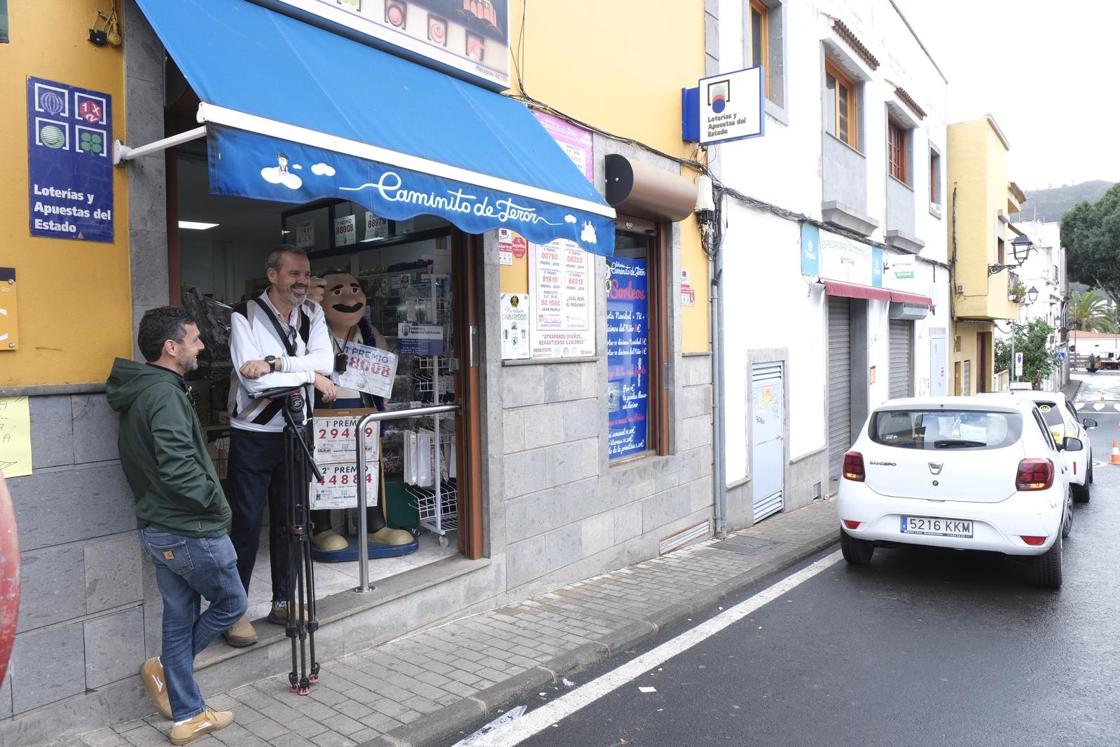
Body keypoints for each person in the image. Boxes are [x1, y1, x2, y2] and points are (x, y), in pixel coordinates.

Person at [106, 307, 245, 745]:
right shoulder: (164, 395)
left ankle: (187, 716)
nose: (202, 346)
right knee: (232, 605)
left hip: (159, 525)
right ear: (172, 347)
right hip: (189, 528)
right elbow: (178, 468)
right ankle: (168, 670)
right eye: (196, 339)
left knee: (180, 614)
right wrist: (213, 501)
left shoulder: (146, 388)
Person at [223, 246, 336, 647]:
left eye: (306, 274)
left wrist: (278, 365)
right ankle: (233, 612)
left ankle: (284, 601)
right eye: (293, 274)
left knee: (294, 520)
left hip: (296, 430)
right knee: (247, 523)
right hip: (253, 433)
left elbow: (326, 363)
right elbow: (252, 382)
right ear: (272, 276)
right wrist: (312, 378)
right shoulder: (244, 315)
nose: (302, 281)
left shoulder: (314, 314)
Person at [310, 270, 413, 553]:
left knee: (368, 467)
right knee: (323, 470)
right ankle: (320, 526)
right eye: (338, 290)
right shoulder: (311, 332)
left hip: (363, 410)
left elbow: (383, 373)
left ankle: (374, 524)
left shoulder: (369, 335)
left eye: (355, 289)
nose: (350, 296)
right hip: (324, 412)